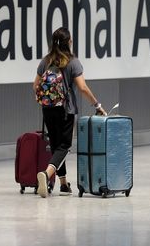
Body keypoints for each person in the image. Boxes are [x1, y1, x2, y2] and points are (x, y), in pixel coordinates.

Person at [33, 27, 107, 198]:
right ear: (69, 42)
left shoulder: (45, 61)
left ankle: (64, 185)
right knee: (64, 146)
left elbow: (35, 86)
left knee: (57, 146)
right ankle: (45, 174)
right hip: (65, 110)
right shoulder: (72, 62)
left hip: (47, 109)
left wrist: (46, 101)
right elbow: (82, 87)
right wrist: (97, 105)